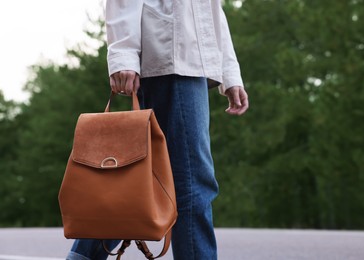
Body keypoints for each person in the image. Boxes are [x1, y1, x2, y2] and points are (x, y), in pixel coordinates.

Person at [66, 1, 248, 259]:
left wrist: (230, 72)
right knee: (191, 182)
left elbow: (211, 10)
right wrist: (123, 54)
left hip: (191, 62)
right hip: (167, 54)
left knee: (141, 177)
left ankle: (83, 256)